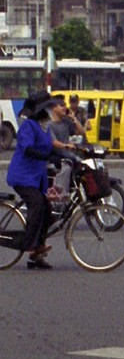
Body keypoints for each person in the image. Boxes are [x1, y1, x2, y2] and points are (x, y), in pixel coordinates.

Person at [7, 91, 77, 269]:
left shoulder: (44, 127)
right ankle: (28, 242)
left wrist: (68, 156)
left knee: (47, 213)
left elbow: (50, 148)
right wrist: (47, 156)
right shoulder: (28, 126)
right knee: (37, 205)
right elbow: (28, 149)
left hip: (37, 177)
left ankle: (36, 253)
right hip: (23, 176)